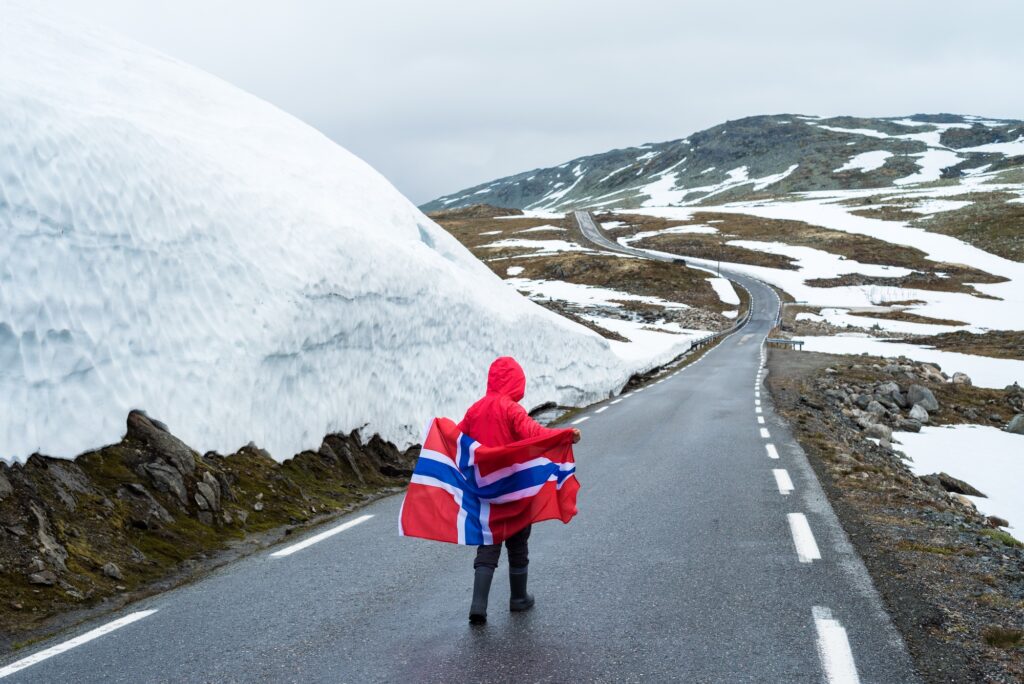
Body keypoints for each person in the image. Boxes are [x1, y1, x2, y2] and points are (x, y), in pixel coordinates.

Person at [457, 356, 581, 624]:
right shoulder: (511, 409)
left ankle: (478, 605)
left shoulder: (474, 410)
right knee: (518, 540)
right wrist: (565, 435)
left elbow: (458, 441)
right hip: (513, 489)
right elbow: (534, 434)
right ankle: (518, 598)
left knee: (488, 541)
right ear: (516, 381)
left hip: (486, 490)